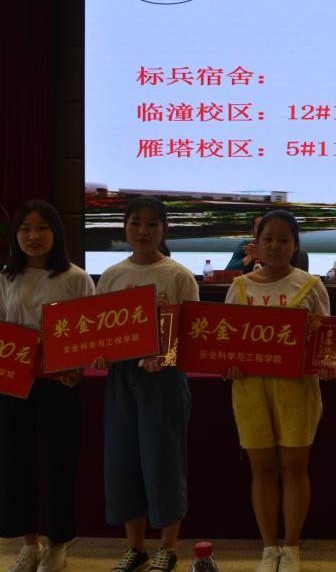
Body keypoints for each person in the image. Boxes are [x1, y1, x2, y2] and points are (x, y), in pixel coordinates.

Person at [93, 197, 199, 572]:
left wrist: (165, 357)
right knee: (123, 460)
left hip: (165, 380)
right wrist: (101, 353)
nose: (142, 231)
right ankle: (135, 548)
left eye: (152, 224)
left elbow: (190, 335)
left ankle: (167, 548)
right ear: (125, 227)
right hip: (122, 378)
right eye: (135, 223)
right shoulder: (111, 275)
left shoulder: (178, 275)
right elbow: (99, 331)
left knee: (163, 461)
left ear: (164, 230)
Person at [224, 210, 329, 572]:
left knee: (294, 468)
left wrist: (325, 362)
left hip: (297, 390)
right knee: (263, 470)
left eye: (284, 240)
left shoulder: (311, 286)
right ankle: (269, 549)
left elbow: (325, 342)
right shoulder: (239, 287)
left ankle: (292, 548)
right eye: (268, 239)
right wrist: (229, 364)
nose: (275, 246)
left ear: (295, 245)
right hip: (250, 391)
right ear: (255, 244)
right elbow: (225, 344)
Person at [0, 200, 95, 572]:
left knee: (59, 464)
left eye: (42, 228)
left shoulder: (75, 278)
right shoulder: (6, 277)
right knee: (16, 463)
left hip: (59, 386)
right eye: (25, 229)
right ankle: (29, 544)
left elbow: (90, 332)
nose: (33, 236)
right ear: (16, 235)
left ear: (56, 233)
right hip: (14, 386)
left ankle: (58, 544)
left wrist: (78, 366)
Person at [227, 213, 309, 274]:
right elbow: (227, 272)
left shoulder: (297, 253)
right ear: (253, 233)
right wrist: (249, 258)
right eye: (260, 228)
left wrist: (263, 256)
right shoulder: (246, 246)